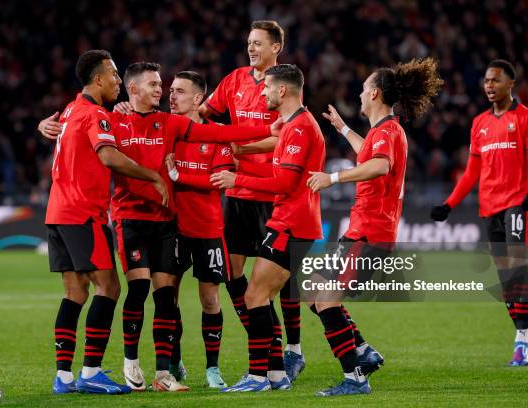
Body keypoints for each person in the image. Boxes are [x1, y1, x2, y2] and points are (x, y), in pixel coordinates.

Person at [44, 61, 278, 391]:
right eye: (154, 84)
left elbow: (218, 133)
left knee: (165, 296)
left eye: (162, 84)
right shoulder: (112, 118)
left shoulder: (167, 123)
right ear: (133, 89)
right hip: (125, 217)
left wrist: (267, 130)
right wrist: (154, 179)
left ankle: (162, 372)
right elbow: (99, 148)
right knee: (128, 289)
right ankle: (125, 364)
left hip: (166, 222)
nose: (161, 89)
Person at [307, 57, 443, 396]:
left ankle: (355, 378)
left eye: (364, 89)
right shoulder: (382, 132)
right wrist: (342, 128)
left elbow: (378, 166)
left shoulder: (388, 131)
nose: (359, 94)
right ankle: (364, 351)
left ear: (376, 94)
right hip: (361, 229)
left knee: (325, 299)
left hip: (370, 231)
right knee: (313, 290)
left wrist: (332, 178)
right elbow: (368, 154)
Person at [43, 49, 168, 395]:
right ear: (98, 79)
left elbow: (67, 130)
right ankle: (91, 371)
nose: (118, 81)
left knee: (75, 292)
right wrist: (152, 177)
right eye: (114, 75)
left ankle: (64, 377)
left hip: (57, 212)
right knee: (110, 287)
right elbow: (109, 155)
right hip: (84, 214)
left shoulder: (70, 110)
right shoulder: (94, 114)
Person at [201, 64, 323, 392]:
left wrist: (235, 177)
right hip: (291, 220)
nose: (263, 93)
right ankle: (276, 374)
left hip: (290, 221)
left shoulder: (298, 127)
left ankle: (261, 375)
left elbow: (284, 181)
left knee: (259, 294)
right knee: (259, 293)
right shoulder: (294, 124)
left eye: (268, 88)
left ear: (282, 90)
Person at [431, 59, 528, 366]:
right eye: (486, 81)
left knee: (518, 266)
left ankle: (520, 340)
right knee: (504, 275)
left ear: (511, 83)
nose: (489, 86)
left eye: (496, 80)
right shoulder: (479, 123)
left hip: (517, 203)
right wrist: (449, 204)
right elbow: (470, 173)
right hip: (489, 206)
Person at [165, 70, 234, 388]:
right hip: (172, 228)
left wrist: (181, 177)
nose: (171, 95)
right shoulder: (164, 130)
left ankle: (212, 369)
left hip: (207, 229)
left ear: (197, 98)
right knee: (169, 299)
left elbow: (219, 181)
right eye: (170, 89)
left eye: (179, 91)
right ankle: (174, 360)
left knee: (210, 299)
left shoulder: (216, 135)